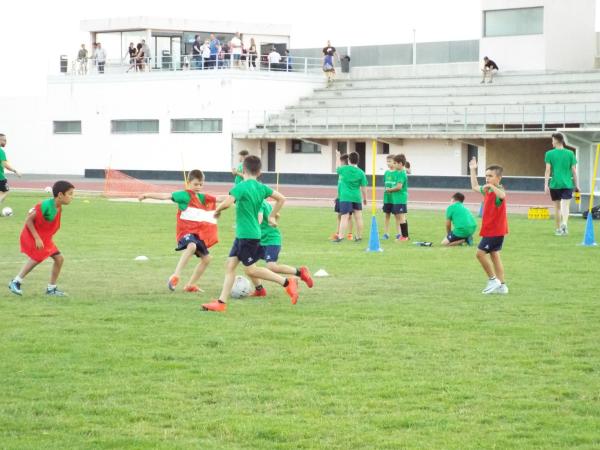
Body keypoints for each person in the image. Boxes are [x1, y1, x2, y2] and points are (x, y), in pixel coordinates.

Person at [202, 156, 299, 312]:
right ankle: (221, 303)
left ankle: (287, 283)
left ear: (242, 170)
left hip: (247, 235)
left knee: (251, 270)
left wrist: (217, 211)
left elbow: (227, 202)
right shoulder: (261, 187)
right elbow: (281, 198)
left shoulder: (241, 186)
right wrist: (272, 215)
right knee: (230, 266)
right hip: (247, 234)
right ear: (259, 172)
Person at [139, 170, 221, 292]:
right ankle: (175, 275)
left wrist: (235, 196)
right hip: (185, 233)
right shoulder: (184, 195)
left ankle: (190, 285)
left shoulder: (202, 197)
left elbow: (219, 198)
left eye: (200, 184)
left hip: (197, 233)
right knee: (192, 246)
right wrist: (147, 195)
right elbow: (165, 196)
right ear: (188, 183)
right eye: (195, 184)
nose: (198, 187)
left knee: (207, 259)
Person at [8, 180, 75, 296]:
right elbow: (28, 220)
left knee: (59, 259)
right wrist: (37, 238)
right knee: (38, 257)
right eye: (70, 194)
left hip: (45, 238)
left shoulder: (58, 206)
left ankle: (51, 289)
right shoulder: (46, 206)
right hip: (36, 236)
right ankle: (16, 282)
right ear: (60, 195)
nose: (72, 197)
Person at [248, 199, 314, 297]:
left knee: (272, 267)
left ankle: (300, 272)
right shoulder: (263, 202)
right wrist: (272, 221)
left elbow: (259, 220)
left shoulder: (258, 202)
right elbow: (277, 215)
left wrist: (247, 226)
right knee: (249, 263)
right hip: (261, 240)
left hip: (271, 239)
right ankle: (259, 290)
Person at [469, 157, 509, 295]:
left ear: (498, 178)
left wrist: (492, 186)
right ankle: (502, 285)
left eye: (490, 176)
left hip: (495, 231)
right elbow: (474, 186)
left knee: (479, 254)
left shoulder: (498, 190)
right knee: (494, 255)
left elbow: (503, 195)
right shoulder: (487, 190)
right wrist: (473, 170)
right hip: (491, 230)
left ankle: (493, 280)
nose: (487, 178)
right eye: (486, 176)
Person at [544, 132, 579, 236]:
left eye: (552, 140)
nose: (551, 142)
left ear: (556, 140)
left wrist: (546, 184)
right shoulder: (570, 153)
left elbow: (547, 170)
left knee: (557, 208)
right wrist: (577, 185)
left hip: (555, 184)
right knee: (566, 205)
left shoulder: (549, 153)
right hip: (567, 183)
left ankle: (559, 229)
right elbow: (574, 171)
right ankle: (564, 224)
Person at [333, 151, 367, 242]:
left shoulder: (344, 169)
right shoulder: (361, 173)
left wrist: (337, 157)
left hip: (345, 197)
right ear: (358, 161)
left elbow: (337, 168)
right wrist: (365, 198)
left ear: (348, 160)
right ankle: (358, 237)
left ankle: (340, 237)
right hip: (356, 197)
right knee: (358, 217)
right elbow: (364, 187)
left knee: (344, 217)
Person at [332, 153, 355, 240]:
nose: (340, 164)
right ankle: (338, 232)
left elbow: (337, 168)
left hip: (347, 197)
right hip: (340, 197)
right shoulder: (341, 173)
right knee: (339, 215)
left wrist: (337, 156)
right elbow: (340, 186)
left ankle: (350, 234)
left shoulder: (346, 171)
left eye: (341, 162)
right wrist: (337, 196)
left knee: (349, 216)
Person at [0, 134, 21, 204]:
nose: (5, 142)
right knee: (6, 191)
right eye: (4, 140)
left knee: (1, 193)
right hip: (0, 177)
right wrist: (15, 171)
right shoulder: (1, 151)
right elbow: (5, 165)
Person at [382, 154, 398, 239]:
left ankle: (398, 233)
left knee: (397, 216)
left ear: (394, 162)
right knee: (387, 216)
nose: (388, 163)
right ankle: (386, 233)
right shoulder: (386, 173)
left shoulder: (397, 173)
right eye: (387, 161)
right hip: (387, 198)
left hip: (395, 199)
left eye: (390, 161)